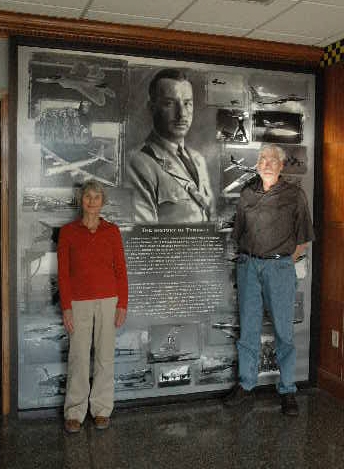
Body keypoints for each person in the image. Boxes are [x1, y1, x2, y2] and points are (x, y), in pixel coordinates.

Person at [224, 144, 314, 416]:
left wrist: (280, 261)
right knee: (248, 331)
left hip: (279, 270)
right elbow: (238, 235)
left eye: (272, 159)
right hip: (249, 267)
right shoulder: (247, 193)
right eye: (262, 158)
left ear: (282, 165)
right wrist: (251, 261)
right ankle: (246, 386)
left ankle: (287, 390)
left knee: (284, 334)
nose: (266, 163)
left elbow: (303, 241)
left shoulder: (295, 195)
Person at [57, 180, 128, 433]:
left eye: (97, 197)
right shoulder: (68, 232)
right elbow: (63, 274)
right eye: (88, 196)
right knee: (78, 356)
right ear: (81, 200)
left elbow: (121, 270)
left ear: (102, 201)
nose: (92, 201)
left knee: (104, 357)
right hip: (78, 302)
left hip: (108, 301)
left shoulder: (112, 231)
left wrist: (122, 304)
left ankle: (101, 409)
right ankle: (75, 411)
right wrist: (66, 307)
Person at [128, 68, 214, 223]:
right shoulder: (138, 163)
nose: (182, 114)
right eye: (169, 103)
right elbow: (144, 233)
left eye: (187, 103)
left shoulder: (198, 159)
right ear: (152, 108)